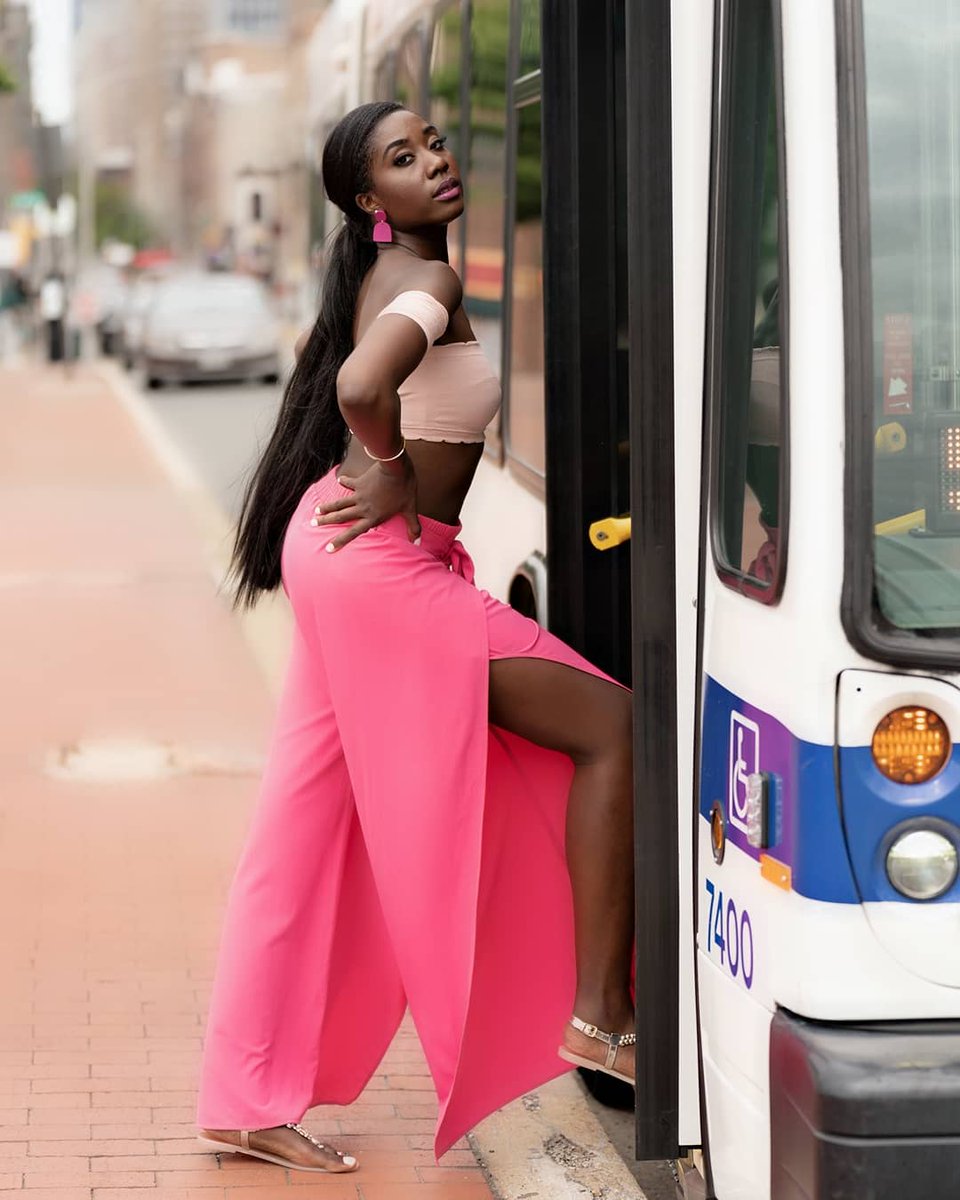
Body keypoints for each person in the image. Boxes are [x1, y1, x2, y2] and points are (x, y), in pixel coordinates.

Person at [194, 101, 636, 1176]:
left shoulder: (382, 274)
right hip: (380, 569)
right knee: (615, 728)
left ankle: (242, 1093)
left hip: (345, 558)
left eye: (433, 142)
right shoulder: (428, 284)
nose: (434, 161)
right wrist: (387, 462)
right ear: (366, 201)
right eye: (402, 159)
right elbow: (357, 385)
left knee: (300, 824)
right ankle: (596, 1013)